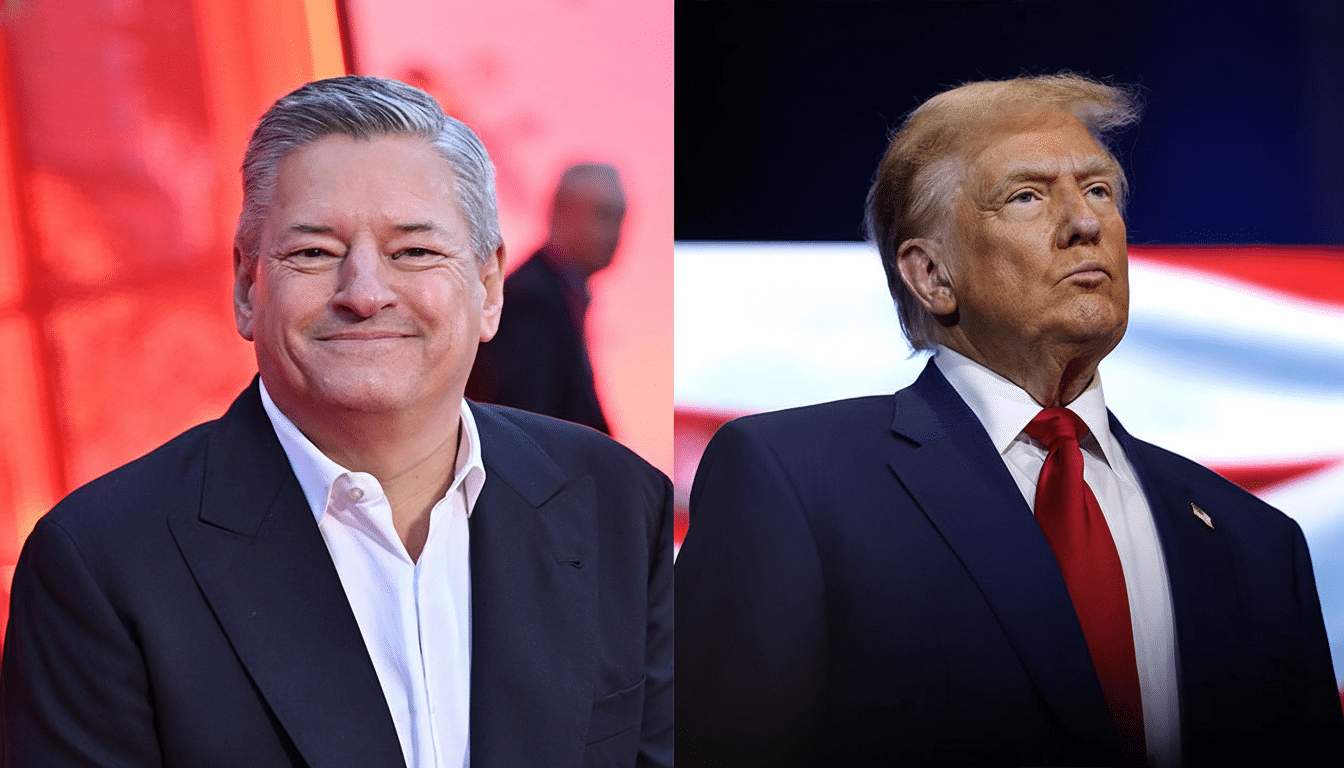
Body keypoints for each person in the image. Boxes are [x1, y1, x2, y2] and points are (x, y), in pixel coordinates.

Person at [1, 76, 672, 768]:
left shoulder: (617, 504)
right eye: (314, 253)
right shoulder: (100, 564)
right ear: (245, 288)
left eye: (413, 251)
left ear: (488, 286)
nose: (364, 293)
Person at [675, 73, 1343, 768]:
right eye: (1027, 195)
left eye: (1098, 191)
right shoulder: (798, 483)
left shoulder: (1258, 542)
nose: (1085, 221)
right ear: (931, 274)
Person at [466, 163, 626, 433]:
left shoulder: (557, 294)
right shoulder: (529, 302)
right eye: (604, 216)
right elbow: (529, 424)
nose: (615, 234)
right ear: (561, 213)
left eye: (620, 219)